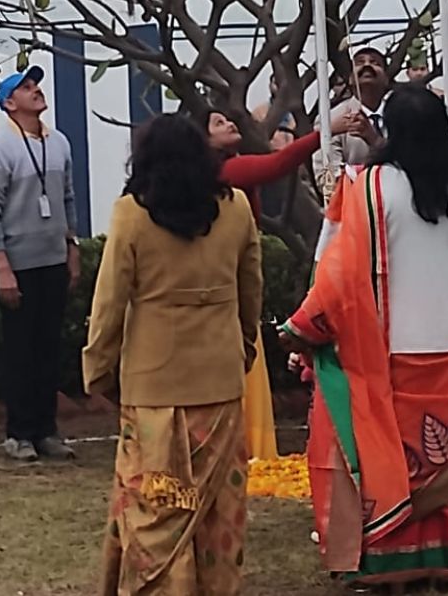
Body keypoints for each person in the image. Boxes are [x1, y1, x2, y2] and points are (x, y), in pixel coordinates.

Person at [281, 85, 448, 589]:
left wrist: (305, 324)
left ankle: (389, 565)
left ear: (391, 131)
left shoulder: (368, 186)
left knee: (389, 458)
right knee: (445, 457)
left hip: (387, 347)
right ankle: (446, 561)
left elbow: (335, 267)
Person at [83, 114, 262, 596]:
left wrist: (98, 370)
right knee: (218, 507)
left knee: (155, 501)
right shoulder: (236, 209)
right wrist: (244, 348)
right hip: (219, 382)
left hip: (152, 386)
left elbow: (109, 302)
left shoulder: (131, 213)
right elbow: (251, 290)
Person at [205, 103, 353, 459]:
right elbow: (277, 164)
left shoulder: (228, 166)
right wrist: (325, 132)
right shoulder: (223, 171)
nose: (229, 122)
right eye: (218, 122)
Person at [0, 66, 80, 464]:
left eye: (36, 84)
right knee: (20, 350)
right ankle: (19, 433)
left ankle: (46, 430)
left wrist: (72, 247)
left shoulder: (59, 143)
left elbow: (68, 198)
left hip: (53, 259)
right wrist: (2, 265)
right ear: (9, 103)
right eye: (25, 87)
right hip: (19, 264)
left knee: (49, 349)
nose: (36, 90)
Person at [312, 46, 390, 206]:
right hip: (352, 209)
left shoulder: (403, 115)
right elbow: (327, 180)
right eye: (359, 62)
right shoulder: (331, 120)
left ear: (386, 79)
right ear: (350, 79)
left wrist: (375, 140)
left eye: (375, 63)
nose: (367, 65)